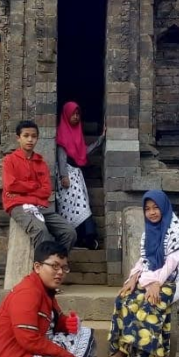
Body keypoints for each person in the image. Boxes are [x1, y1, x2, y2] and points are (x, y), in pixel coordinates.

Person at [97, 190, 179, 357]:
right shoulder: (148, 232)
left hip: (174, 279)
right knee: (124, 299)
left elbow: (172, 264)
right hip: (152, 277)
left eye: (156, 207)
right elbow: (144, 260)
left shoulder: (175, 230)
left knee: (152, 302)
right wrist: (133, 278)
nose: (152, 212)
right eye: (147, 209)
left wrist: (156, 284)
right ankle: (121, 353)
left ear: (164, 207)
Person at [3, 120, 77, 253]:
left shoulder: (41, 163)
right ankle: (42, 268)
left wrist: (23, 190)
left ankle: (56, 261)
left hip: (40, 206)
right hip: (18, 205)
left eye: (34, 136)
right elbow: (11, 185)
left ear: (37, 138)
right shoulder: (10, 160)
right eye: (26, 136)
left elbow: (46, 191)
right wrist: (34, 186)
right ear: (18, 138)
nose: (30, 139)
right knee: (41, 231)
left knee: (69, 232)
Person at [55, 102, 105, 250]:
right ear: (66, 115)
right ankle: (84, 237)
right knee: (75, 207)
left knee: (82, 205)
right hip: (67, 176)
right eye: (73, 114)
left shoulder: (77, 134)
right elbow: (61, 156)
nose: (76, 117)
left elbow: (84, 152)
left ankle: (87, 238)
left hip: (76, 174)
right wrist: (64, 175)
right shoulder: (62, 132)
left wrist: (101, 139)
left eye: (78, 114)